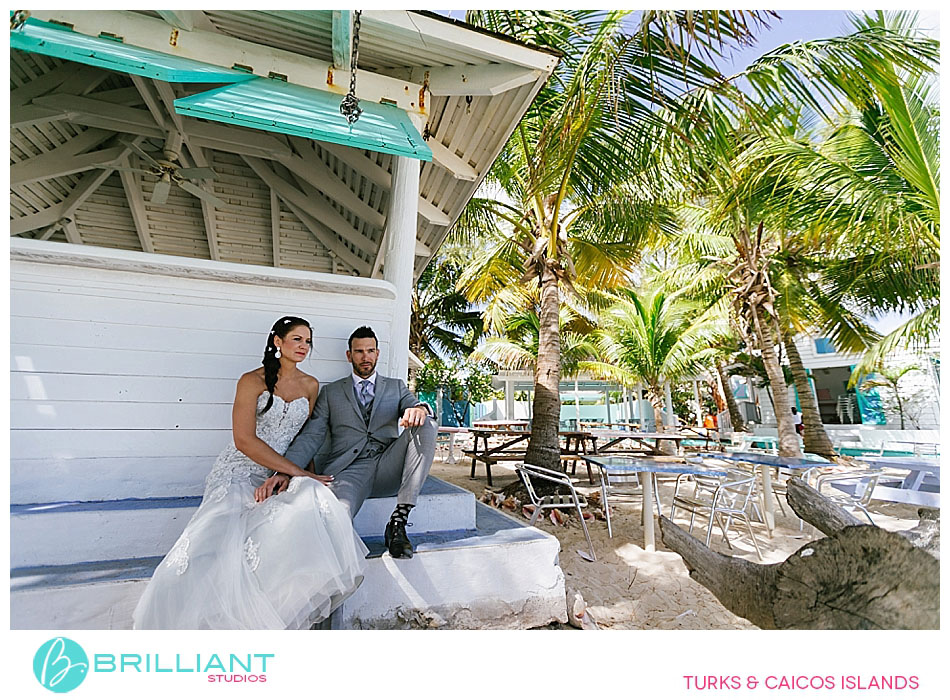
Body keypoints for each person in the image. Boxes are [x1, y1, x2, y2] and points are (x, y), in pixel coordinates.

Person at [133, 317, 367, 630]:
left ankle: (268, 615)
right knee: (215, 541)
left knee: (311, 503)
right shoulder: (251, 381)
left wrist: (299, 476)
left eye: (308, 341)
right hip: (239, 471)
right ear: (277, 342)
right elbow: (244, 440)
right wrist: (295, 470)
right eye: (296, 339)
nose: (303, 347)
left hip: (280, 472)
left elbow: (305, 440)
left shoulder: (311, 385)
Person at [257, 326, 436, 559]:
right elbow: (312, 436)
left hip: (387, 464)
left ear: (378, 354)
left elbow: (413, 404)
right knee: (337, 516)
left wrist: (419, 408)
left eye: (370, 350)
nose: (365, 357)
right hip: (348, 471)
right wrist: (284, 471)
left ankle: (398, 521)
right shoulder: (331, 393)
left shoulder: (396, 387)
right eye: (359, 351)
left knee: (428, 423)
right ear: (349, 355)